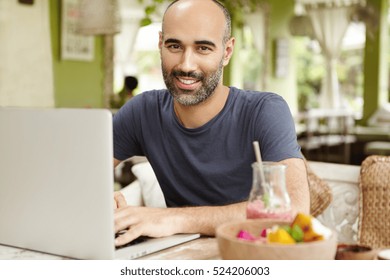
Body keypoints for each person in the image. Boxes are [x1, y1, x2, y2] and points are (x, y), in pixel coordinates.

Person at [113, 0, 310, 247]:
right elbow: (81, 172)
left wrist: (172, 219)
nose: (186, 64)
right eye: (174, 46)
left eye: (203, 48)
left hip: (251, 257)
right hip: (178, 258)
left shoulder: (264, 110)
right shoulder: (142, 112)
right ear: (160, 43)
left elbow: (295, 211)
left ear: (227, 52)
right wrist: (100, 198)